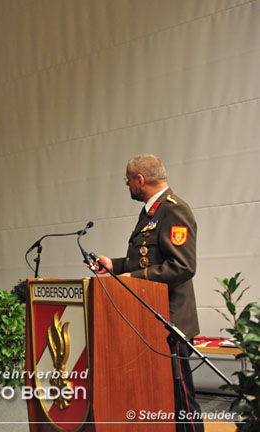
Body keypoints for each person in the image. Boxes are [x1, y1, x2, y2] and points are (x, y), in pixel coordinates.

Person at [95, 154, 202, 432]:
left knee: (182, 403)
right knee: (159, 398)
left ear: (140, 180)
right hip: (149, 320)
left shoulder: (174, 210)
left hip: (171, 322)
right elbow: (145, 260)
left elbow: (182, 266)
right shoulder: (152, 211)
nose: (127, 185)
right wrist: (114, 265)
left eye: (128, 180)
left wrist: (134, 278)